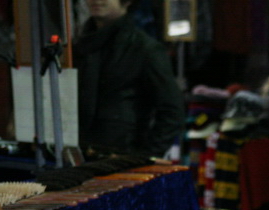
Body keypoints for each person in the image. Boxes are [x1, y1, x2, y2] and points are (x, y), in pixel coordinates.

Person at [73, 0, 186, 157]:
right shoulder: (79, 46)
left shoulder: (145, 49)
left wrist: (144, 156)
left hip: (122, 153)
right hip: (79, 152)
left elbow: (172, 110)